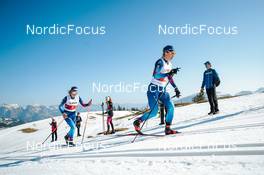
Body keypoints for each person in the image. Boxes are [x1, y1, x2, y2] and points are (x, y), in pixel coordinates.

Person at [133, 45, 181, 135]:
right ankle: (138, 121)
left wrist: (176, 88)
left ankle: (167, 129)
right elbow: (156, 75)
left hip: (162, 89)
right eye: (172, 53)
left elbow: (169, 78)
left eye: (174, 53)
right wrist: (168, 73)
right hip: (153, 89)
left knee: (171, 107)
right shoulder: (160, 62)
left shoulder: (170, 64)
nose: (173, 55)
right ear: (166, 52)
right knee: (154, 112)